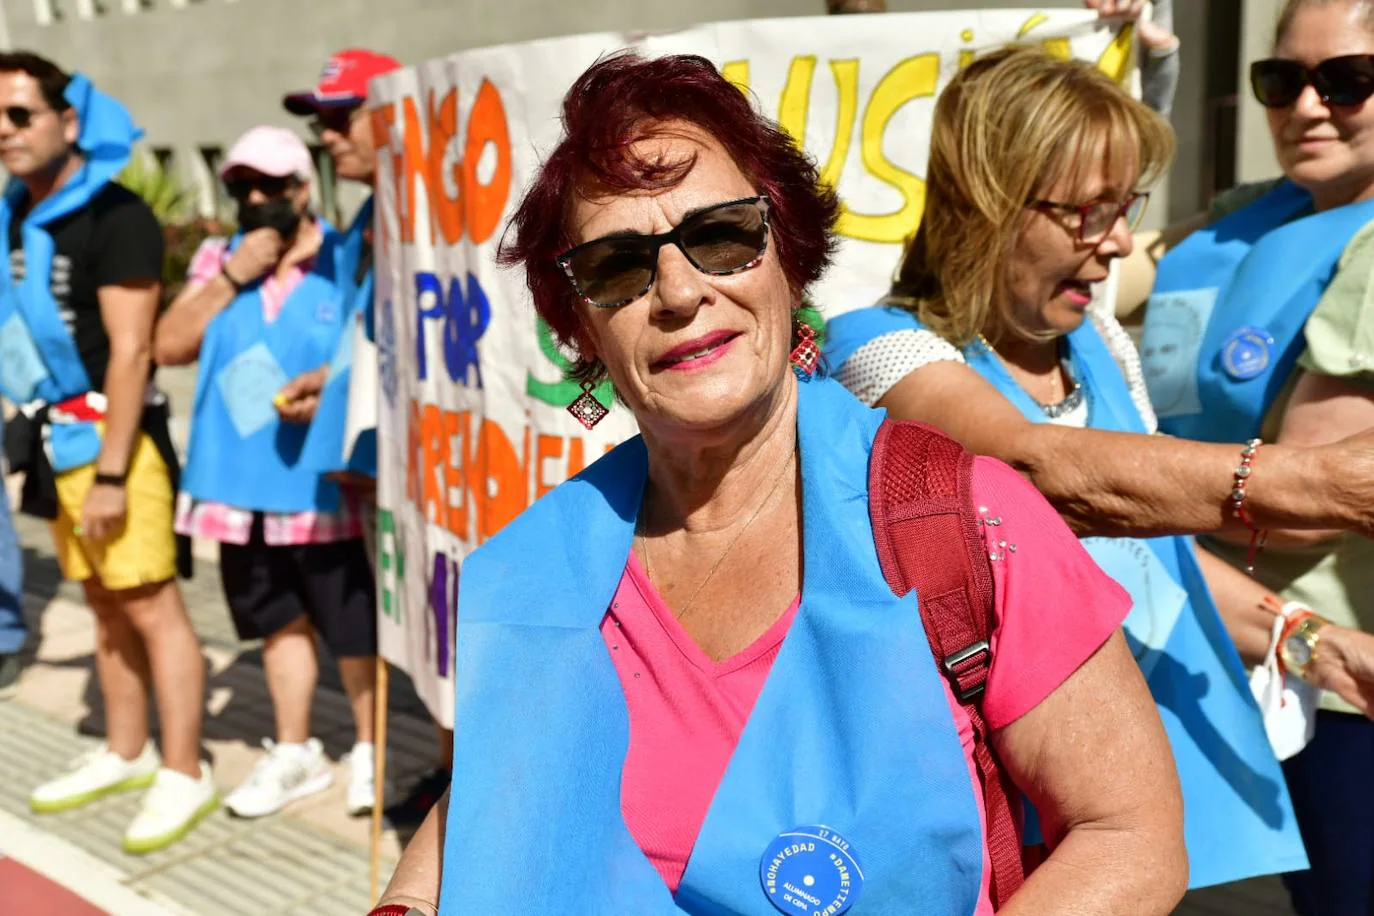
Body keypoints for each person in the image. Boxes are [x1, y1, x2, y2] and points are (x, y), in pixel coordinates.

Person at [372, 51, 1189, 916]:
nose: (681, 292)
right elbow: (502, 798)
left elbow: (1128, 833)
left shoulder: (959, 518)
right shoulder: (536, 565)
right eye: (618, 265)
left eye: (721, 234)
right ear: (580, 324)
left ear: (788, 258)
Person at [823, 36, 1374, 891]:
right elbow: (1041, 474)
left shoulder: (1096, 344)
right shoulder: (877, 349)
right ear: (991, 202)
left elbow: (1157, 557)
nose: (1120, 243)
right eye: (1091, 211)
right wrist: (1320, 481)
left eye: (1127, 206)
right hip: (1059, 838)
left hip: (1213, 811)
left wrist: (1312, 643)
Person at [1132, 1, 1374, 910]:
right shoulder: (1254, 216)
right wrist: (1126, 77)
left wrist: (1084, 494)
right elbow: (1071, 267)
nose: (1307, 107)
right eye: (1281, 80)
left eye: (1348, 81)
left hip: (1335, 690)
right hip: (1207, 642)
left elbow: (1300, 499)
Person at [0, 52, 214, 854]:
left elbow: (131, 355)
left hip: (116, 443)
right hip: (55, 441)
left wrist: (116, 473)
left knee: (153, 609)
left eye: (20, 114)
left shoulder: (116, 214)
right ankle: (126, 751)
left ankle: (185, 770)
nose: (5, 132)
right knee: (101, 605)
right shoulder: (16, 214)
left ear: (69, 121)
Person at [153, 125, 380, 819]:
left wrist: (323, 382)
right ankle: (294, 748)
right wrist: (230, 276)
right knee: (276, 622)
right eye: (242, 187)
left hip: (317, 484)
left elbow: (367, 352)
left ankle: (372, 748)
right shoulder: (217, 261)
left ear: (303, 188)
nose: (256, 197)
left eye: (271, 186)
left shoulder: (345, 257)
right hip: (236, 486)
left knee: (350, 625)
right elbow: (168, 344)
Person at [279, 49, 453, 825]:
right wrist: (330, 388)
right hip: (383, 462)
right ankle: (454, 772)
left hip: (439, 463)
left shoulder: (432, 205)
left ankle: (467, 778)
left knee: (452, 621)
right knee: (422, 621)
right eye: (319, 122)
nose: (328, 137)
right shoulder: (365, 214)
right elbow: (369, 336)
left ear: (394, 112)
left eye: (341, 116)